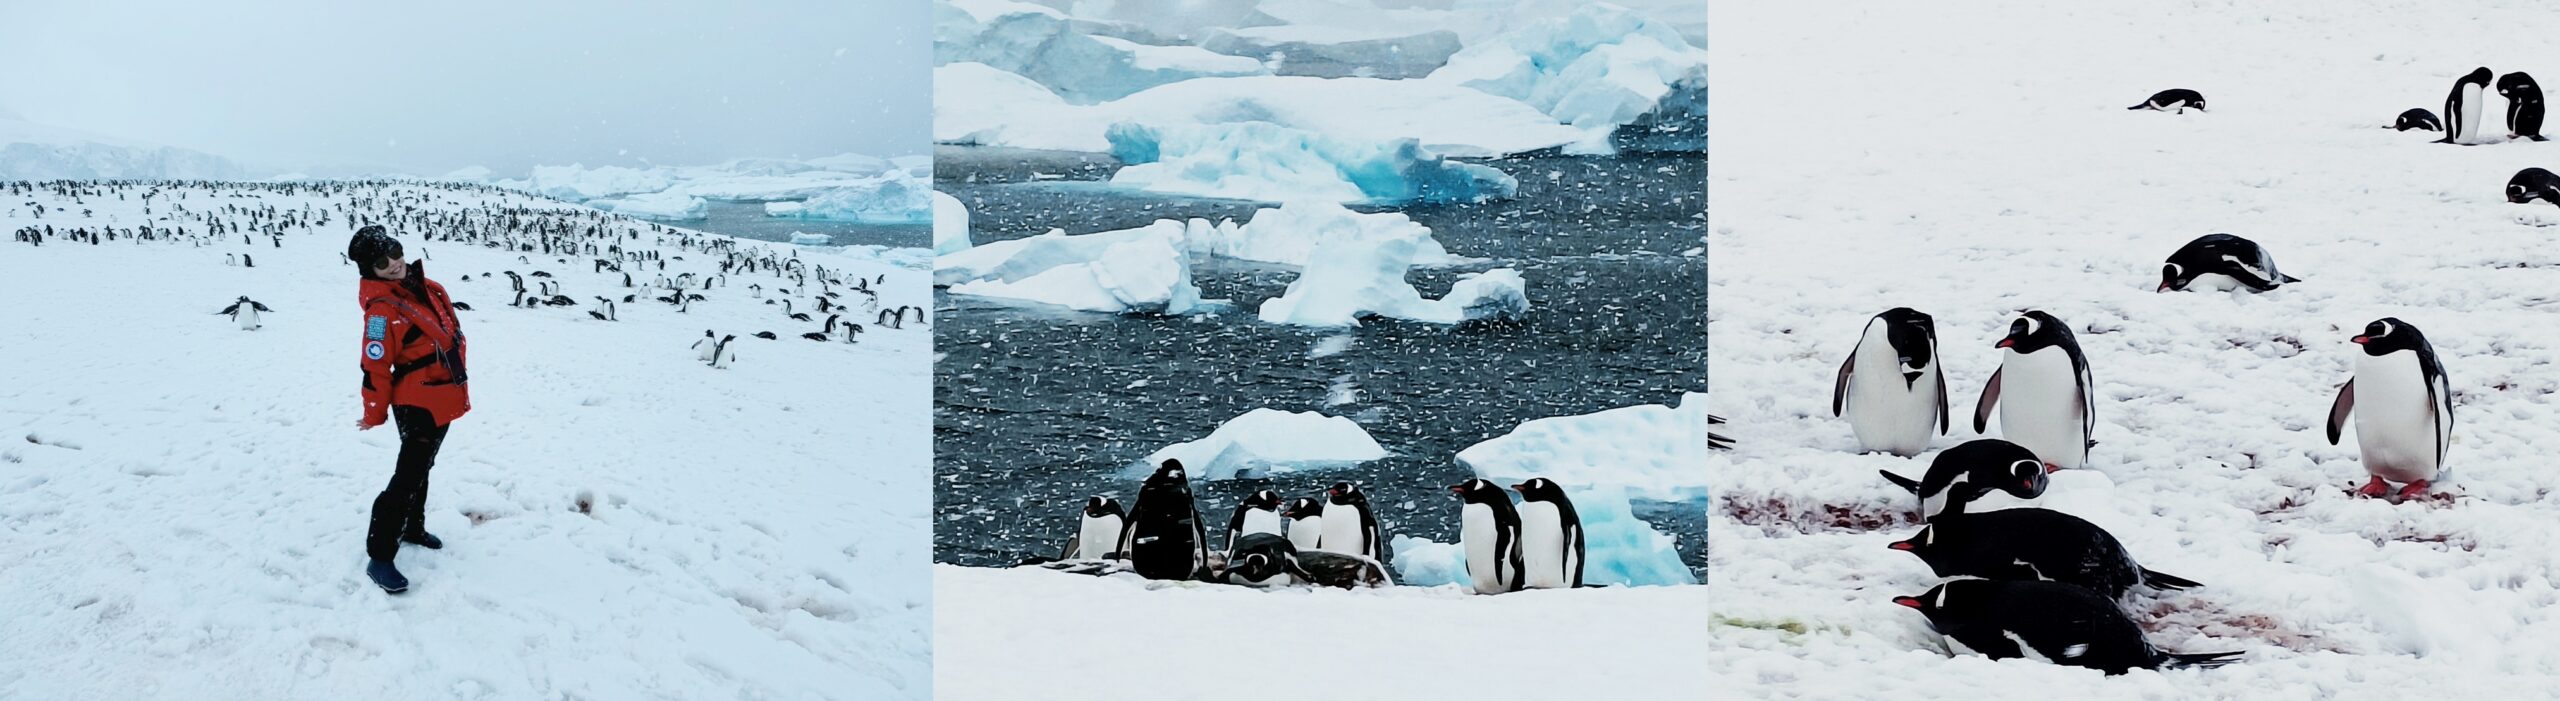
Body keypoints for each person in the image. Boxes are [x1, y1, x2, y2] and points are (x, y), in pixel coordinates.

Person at [348, 225, 470, 594]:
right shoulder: (382, 313)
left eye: (396, 252)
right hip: (416, 402)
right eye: (382, 262)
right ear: (370, 269)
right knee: (406, 477)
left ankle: (411, 527)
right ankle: (379, 555)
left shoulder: (427, 287)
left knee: (423, 466)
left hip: (442, 395)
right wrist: (373, 413)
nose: (395, 264)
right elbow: (375, 366)